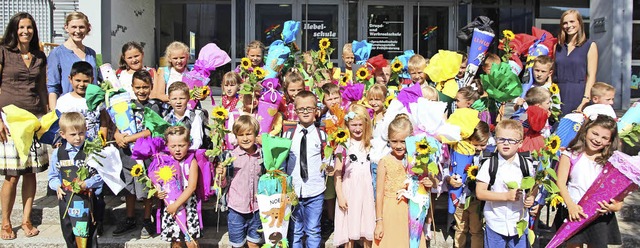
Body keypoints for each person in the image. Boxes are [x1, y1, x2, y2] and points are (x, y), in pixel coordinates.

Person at [0, 12, 48, 240]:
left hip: (34, 120)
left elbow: (41, 89)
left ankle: (26, 219)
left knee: (30, 173)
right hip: (10, 120)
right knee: (12, 175)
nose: (25, 31)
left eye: (29, 27)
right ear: (14, 30)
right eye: (21, 27)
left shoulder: (39, 55)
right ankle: (6, 222)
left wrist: (46, 119)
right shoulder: (3, 51)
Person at [55, 61, 108, 236]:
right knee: (76, 186)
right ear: (70, 79)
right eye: (77, 80)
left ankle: (97, 220)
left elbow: (103, 119)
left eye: (86, 81)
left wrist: (102, 136)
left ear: (92, 80)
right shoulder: (64, 101)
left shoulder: (96, 98)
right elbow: (58, 125)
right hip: (72, 151)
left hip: (92, 149)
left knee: (96, 190)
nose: (81, 84)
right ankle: (74, 222)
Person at [554, 115, 622, 247]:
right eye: (595, 133)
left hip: (598, 213)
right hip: (574, 208)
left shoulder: (612, 162)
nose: (597, 140)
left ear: (609, 141)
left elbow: (619, 189)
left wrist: (617, 205)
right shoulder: (570, 155)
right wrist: (571, 205)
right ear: (586, 131)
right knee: (574, 245)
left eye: (604, 138)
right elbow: (560, 183)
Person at [112, 70, 164, 238]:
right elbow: (118, 123)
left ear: (151, 87)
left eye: (145, 87)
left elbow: (151, 130)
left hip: (145, 156)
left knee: (146, 189)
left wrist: (131, 138)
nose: (141, 91)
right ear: (132, 87)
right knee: (130, 188)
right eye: (138, 87)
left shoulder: (154, 106)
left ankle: (147, 219)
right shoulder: (126, 104)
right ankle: (129, 217)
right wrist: (117, 136)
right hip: (127, 155)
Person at [475, 120, 535, 248]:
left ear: (520, 143)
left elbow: (533, 186)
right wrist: (506, 196)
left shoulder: (526, 165)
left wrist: (532, 197)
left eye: (511, 140)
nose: (506, 143)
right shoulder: (490, 164)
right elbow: (480, 192)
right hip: (495, 222)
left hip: (519, 221)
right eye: (501, 139)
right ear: (496, 140)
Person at [373, 114, 429, 248]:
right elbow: (379, 193)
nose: (398, 146)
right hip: (390, 212)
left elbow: (423, 186)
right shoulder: (384, 162)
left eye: (403, 141)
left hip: (412, 212)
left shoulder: (418, 161)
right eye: (394, 141)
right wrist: (379, 221)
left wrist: (428, 183)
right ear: (389, 141)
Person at [48, 112, 103, 247]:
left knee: (88, 235)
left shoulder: (92, 150)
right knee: (69, 233)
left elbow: (102, 175)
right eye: (73, 134)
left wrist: (87, 183)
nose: (78, 138)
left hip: (87, 200)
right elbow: (53, 176)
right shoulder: (58, 153)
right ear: (62, 134)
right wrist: (57, 186)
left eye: (81, 133)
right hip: (67, 200)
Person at [284, 91, 330, 248]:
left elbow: (327, 158)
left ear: (316, 110)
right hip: (294, 190)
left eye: (309, 108)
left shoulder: (322, 135)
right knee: (295, 231)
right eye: (301, 109)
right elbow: (283, 161)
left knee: (313, 230)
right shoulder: (288, 134)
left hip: (315, 190)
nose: (305, 112)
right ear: (295, 110)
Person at [216, 115, 263, 248]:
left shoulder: (263, 155)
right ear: (236, 136)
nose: (245, 138)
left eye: (249, 134)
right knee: (237, 244)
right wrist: (222, 176)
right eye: (241, 135)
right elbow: (222, 185)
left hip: (257, 208)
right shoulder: (230, 157)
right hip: (236, 208)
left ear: (255, 134)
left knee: (254, 243)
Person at [334, 104, 375, 248]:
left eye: (360, 125)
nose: (357, 128)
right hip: (350, 189)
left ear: (366, 125)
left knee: (367, 223)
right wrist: (340, 195)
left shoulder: (370, 144)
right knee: (349, 225)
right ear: (347, 125)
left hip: (367, 189)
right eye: (353, 125)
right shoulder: (344, 144)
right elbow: (337, 173)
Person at [156, 126, 201, 248]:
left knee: (191, 240)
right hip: (170, 204)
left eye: (181, 146)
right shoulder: (164, 162)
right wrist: (158, 193)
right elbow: (158, 183)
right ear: (167, 145)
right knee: (176, 241)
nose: (177, 150)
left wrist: (176, 205)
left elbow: (191, 187)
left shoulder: (191, 162)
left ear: (188, 144)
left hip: (187, 204)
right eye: (173, 146)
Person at [47, 11, 97, 110]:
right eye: (74, 27)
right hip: (69, 108)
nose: (78, 31)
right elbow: (53, 87)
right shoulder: (57, 53)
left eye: (81, 27)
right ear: (66, 27)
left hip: (91, 108)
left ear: (87, 28)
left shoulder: (91, 53)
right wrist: (55, 115)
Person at [451, 121, 490, 248]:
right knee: (460, 227)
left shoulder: (488, 155)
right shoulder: (460, 152)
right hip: (460, 197)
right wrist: (449, 179)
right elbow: (450, 169)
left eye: (482, 145)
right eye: (476, 145)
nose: (479, 148)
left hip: (476, 199)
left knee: (476, 229)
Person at [555, 9, 598, 114]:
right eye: (565, 23)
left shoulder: (590, 46)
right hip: (558, 94)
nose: (568, 25)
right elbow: (553, 73)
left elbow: (591, 76)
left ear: (579, 22)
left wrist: (586, 98)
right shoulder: (557, 46)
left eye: (572, 21)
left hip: (578, 93)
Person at [164, 82, 205, 149]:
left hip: (189, 153)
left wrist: (186, 151)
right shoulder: (166, 119)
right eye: (174, 99)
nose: (178, 102)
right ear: (169, 99)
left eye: (182, 98)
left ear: (188, 98)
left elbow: (197, 140)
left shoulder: (194, 118)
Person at [519, 87, 552, 153]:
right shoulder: (537, 114)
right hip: (535, 143)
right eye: (547, 103)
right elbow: (537, 127)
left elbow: (519, 122)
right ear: (538, 106)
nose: (549, 105)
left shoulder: (526, 113)